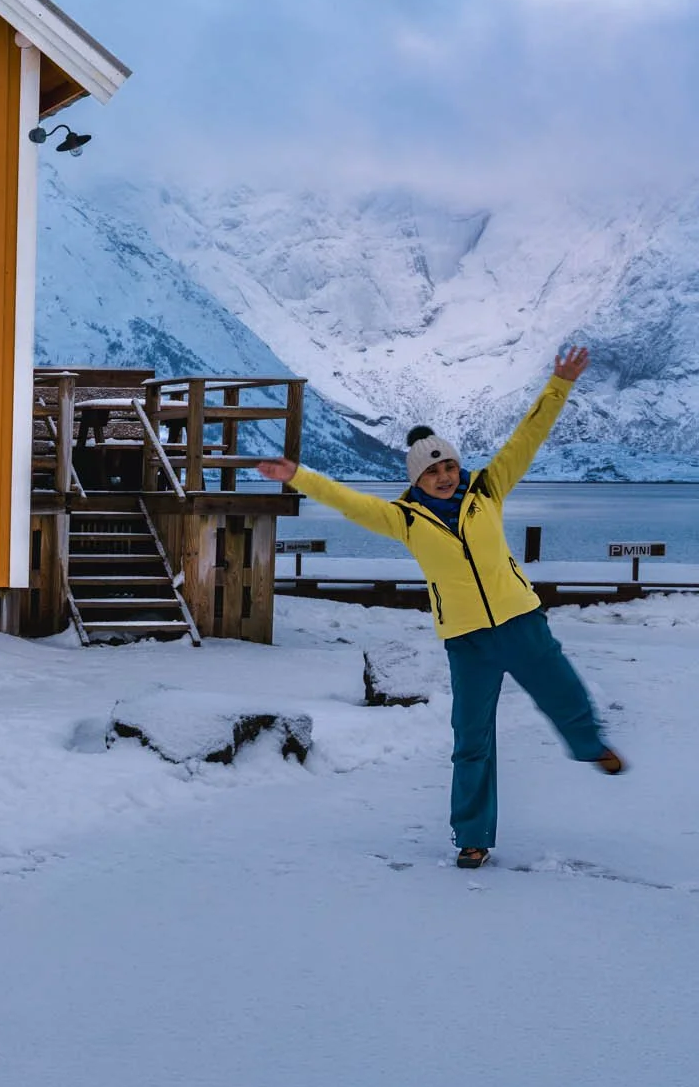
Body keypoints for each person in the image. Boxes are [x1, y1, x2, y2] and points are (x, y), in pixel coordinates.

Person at [256, 347, 623, 869]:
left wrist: (558, 385)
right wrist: (298, 477)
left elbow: (526, 439)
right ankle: (472, 837)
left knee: (564, 693)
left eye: (450, 465)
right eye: (434, 472)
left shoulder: (489, 490)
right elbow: (347, 500)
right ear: (417, 481)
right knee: (471, 739)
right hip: (468, 640)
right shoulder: (403, 519)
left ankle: (590, 746)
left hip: (520, 619)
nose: (446, 476)